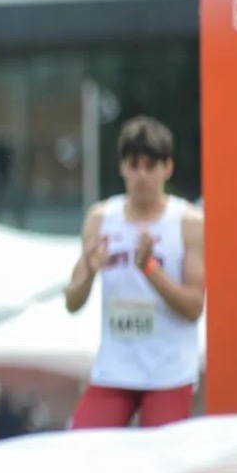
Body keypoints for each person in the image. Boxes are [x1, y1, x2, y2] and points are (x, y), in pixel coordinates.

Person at [63, 115, 207, 429]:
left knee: (160, 465)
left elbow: (194, 307)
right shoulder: (101, 218)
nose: (141, 175)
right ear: (122, 168)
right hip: (116, 370)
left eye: (150, 166)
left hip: (168, 373)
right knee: (82, 448)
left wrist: (150, 269)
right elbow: (72, 303)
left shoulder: (188, 222)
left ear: (167, 168)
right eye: (133, 164)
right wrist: (87, 272)